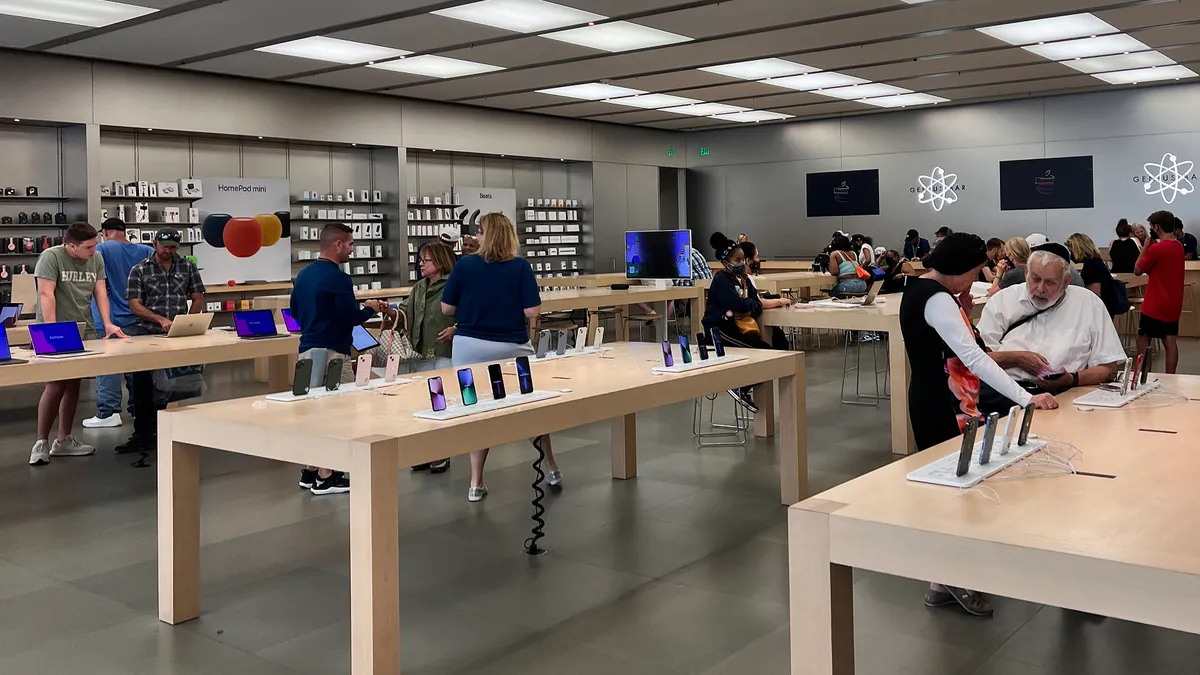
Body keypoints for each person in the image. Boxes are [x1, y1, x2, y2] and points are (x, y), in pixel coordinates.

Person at [899, 233, 1057, 617]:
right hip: (943, 404)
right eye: (972, 273)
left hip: (939, 398)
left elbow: (956, 348)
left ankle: (948, 576)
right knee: (954, 490)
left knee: (959, 486)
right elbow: (976, 359)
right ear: (957, 270)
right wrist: (1026, 397)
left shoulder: (925, 292)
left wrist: (962, 311)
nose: (973, 281)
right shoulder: (937, 299)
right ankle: (945, 578)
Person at [441, 213, 562, 503]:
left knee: (477, 411)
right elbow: (532, 311)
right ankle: (551, 467)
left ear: (488, 234)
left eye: (480, 232)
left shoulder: (465, 266)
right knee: (533, 407)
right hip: (511, 347)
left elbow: (446, 308)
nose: (477, 238)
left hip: (469, 347)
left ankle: (475, 481)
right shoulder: (520, 267)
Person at [291, 223, 394, 495]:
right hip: (333, 354)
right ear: (337, 245)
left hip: (307, 350)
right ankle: (328, 475)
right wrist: (368, 308)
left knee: (312, 411)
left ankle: (310, 469)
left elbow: (294, 310)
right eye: (350, 244)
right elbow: (350, 317)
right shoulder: (338, 278)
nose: (351, 249)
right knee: (338, 412)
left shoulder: (303, 275)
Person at [30, 222, 128, 466]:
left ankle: (64, 440)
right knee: (55, 385)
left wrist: (107, 322)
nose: (94, 251)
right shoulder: (51, 257)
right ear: (70, 246)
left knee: (74, 384)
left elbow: (100, 292)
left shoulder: (96, 259)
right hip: (52, 328)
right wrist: (52, 330)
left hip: (82, 328)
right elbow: (46, 294)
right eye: (88, 247)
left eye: (95, 245)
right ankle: (40, 442)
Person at [979, 250, 1125, 396]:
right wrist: (1017, 359)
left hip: (1064, 395)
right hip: (1005, 392)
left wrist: (1072, 379)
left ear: (1066, 281)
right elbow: (976, 357)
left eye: (1050, 282)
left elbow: (1108, 369)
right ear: (1026, 273)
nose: (1041, 289)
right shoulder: (1003, 300)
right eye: (1035, 279)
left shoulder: (1088, 303)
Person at [116, 228, 206, 455]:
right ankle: (142, 434)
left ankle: (161, 431)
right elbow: (135, 305)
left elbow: (198, 297)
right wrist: (159, 319)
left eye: (173, 247)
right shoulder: (140, 269)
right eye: (165, 247)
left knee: (170, 386)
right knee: (141, 385)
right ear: (154, 243)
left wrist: (188, 322)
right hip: (146, 333)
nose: (168, 251)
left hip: (176, 336)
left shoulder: (187, 267)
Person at [702, 232, 791, 412]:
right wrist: (746, 306)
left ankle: (746, 384)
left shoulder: (743, 279)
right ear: (725, 261)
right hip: (720, 331)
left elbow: (754, 303)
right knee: (765, 353)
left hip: (739, 327)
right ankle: (740, 386)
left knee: (775, 349)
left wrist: (746, 306)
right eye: (737, 260)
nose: (742, 263)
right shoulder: (721, 280)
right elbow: (736, 304)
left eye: (743, 259)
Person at [83, 218, 153, 429]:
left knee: (109, 368)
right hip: (140, 317)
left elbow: (97, 285)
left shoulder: (100, 251)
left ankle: (108, 412)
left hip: (110, 319)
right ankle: (138, 408)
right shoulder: (146, 251)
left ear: (104, 232)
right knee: (138, 368)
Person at [402, 241, 457, 474]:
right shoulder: (420, 287)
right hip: (421, 351)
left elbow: (471, 312)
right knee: (421, 402)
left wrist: (457, 327)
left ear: (441, 262)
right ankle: (423, 451)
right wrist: (390, 311)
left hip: (444, 353)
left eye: (427, 260)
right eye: (420, 260)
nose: (421, 265)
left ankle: (441, 452)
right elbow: (405, 309)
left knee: (440, 402)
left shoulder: (454, 285)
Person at [1136, 210, 1186, 374]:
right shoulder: (1178, 246)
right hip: (1173, 303)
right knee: (1170, 340)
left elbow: (1137, 269)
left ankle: (1145, 375)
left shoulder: (1157, 248)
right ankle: (1170, 376)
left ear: (1156, 228)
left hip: (1155, 303)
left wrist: (1144, 248)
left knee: (1143, 338)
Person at [1063, 233, 1119, 317]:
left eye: (1072, 251)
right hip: (1107, 308)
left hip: (1100, 311)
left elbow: (1094, 294)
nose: (1071, 255)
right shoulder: (1096, 261)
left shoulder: (1091, 266)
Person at [997, 240, 1085, 291]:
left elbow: (993, 293)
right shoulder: (1067, 269)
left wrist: (999, 272)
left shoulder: (1021, 271)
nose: (1041, 288)